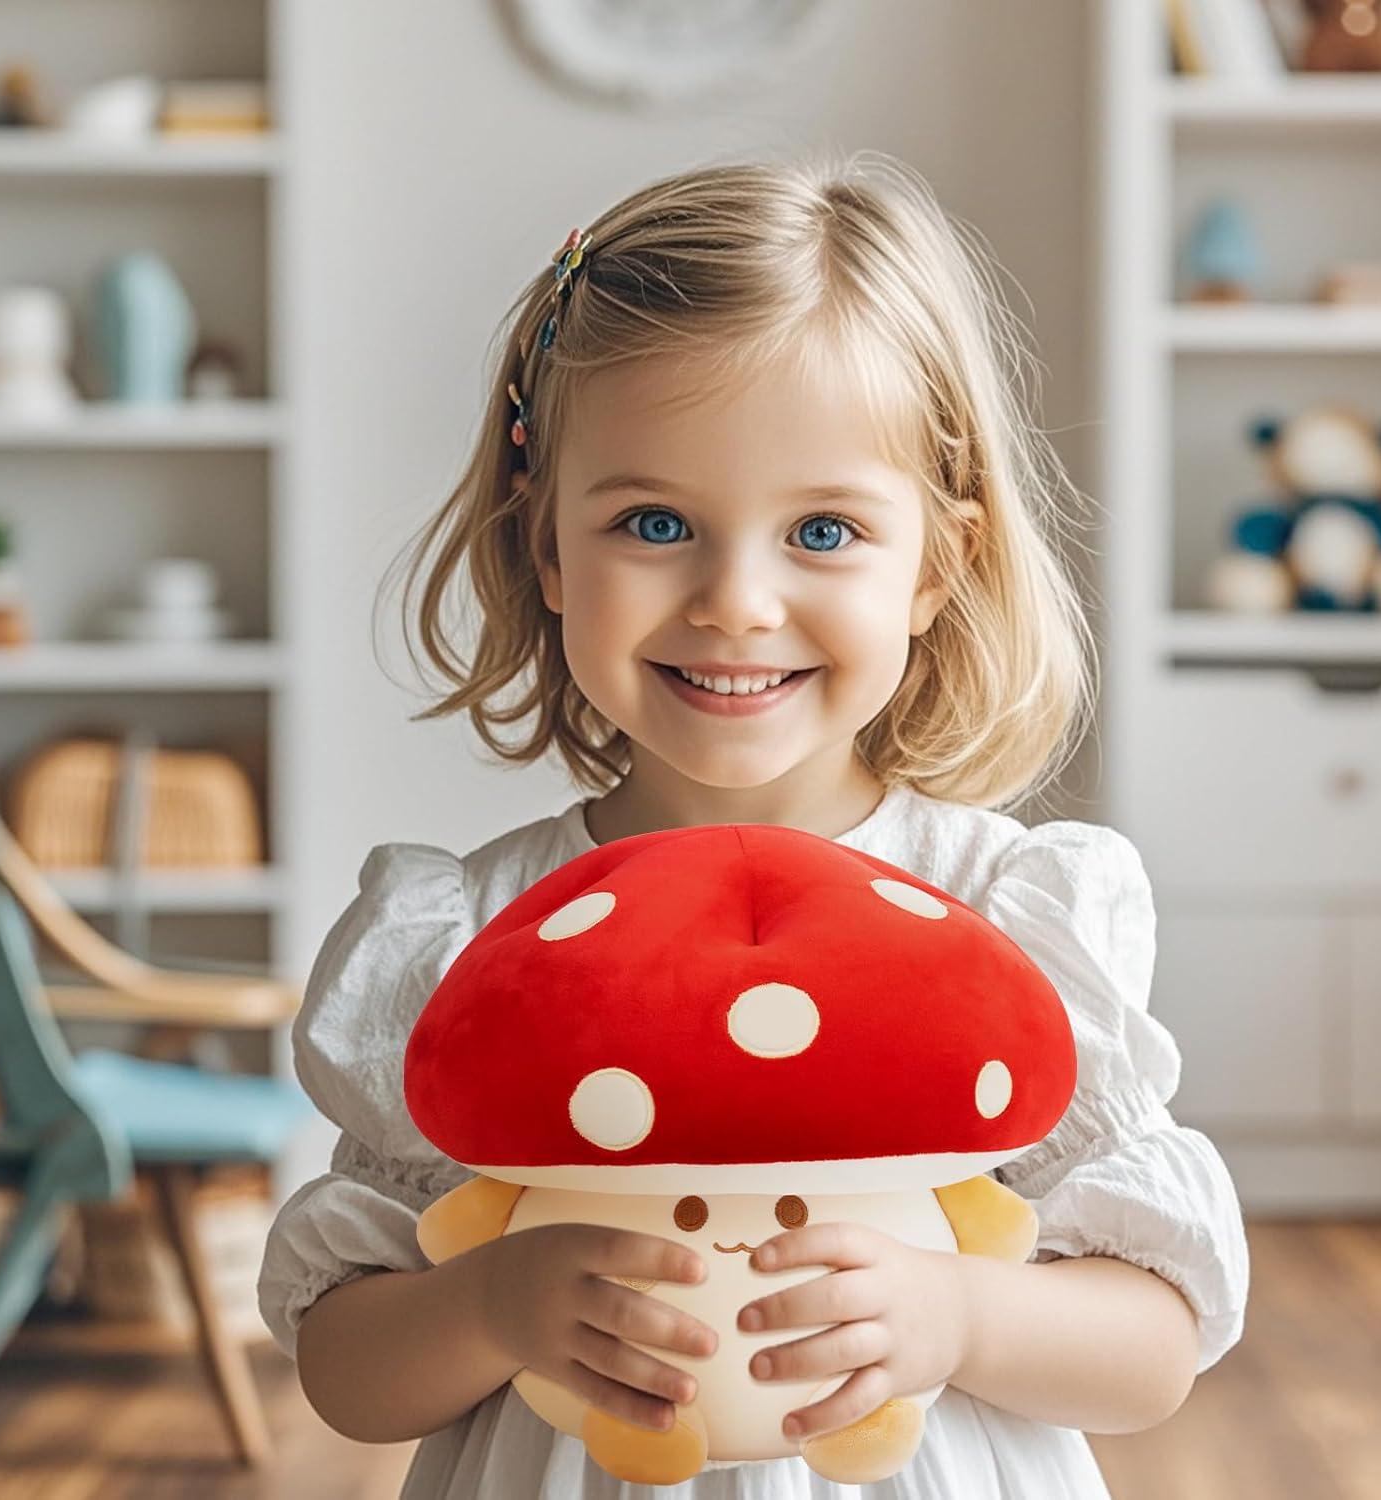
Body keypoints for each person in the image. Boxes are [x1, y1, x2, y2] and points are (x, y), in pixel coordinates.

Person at [259, 152, 1249, 1498]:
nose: (737, 600)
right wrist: (489, 1307)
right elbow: (342, 1360)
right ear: (547, 547)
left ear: (937, 566)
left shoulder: (1007, 923)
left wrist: (958, 1315)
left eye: (824, 531)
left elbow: (1155, 1344)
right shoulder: (470, 945)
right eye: (655, 522)